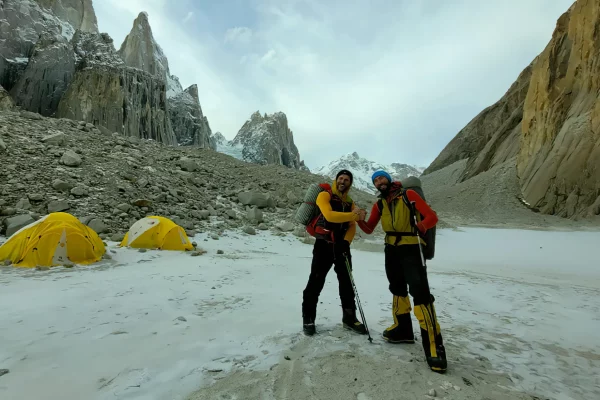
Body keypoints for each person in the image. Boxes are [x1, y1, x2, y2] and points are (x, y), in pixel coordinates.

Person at [357, 170, 447, 373]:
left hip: (411, 247)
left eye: (381, 177)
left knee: (421, 294)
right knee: (397, 288)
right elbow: (370, 228)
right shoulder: (379, 204)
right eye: (375, 180)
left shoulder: (409, 195)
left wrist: (421, 226)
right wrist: (358, 219)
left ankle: (434, 346)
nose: (379, 181)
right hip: (391, 249)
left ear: (388, 179)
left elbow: (432, 217)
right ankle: (403, 329)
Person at [302, 169, 368, 336]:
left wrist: (346, 243)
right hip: (323, 246)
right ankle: (308, 319)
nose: (343, 181)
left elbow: (353, 226)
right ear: (336, 180)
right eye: (341, 178)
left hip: (341, 247)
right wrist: (353, 215)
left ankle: (349, 319)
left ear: (350, 183)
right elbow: (329, 216)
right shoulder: (324, 196)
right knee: (315, 282)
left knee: (347, 283)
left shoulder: (349, 202)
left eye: (346, 179)